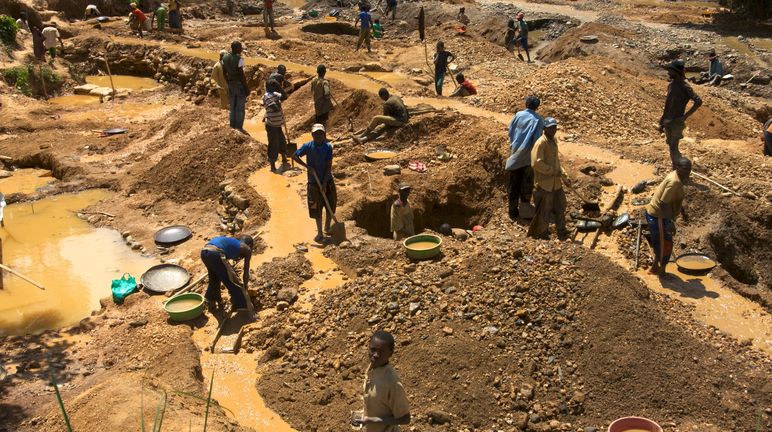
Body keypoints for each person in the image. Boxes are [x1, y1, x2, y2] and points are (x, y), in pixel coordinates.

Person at [644, 157, 691, 277]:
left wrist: (682, 211)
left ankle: (655, 268)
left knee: (662, 242)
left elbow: (674, 198)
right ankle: (661, 272)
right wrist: (669, 222)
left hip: (662, 215)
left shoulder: (677, 176)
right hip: (658, 215)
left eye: (689, 169)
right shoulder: (675, 182)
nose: (688, 171)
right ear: (678, 168)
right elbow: (664, 203)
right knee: (665, 243)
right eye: (685, 169)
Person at [357, 330, 411, 431]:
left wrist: (373, 420)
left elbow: (405, 418)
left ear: (390, 353)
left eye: (381, 351)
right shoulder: (372, 368)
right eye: (373, 349)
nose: (376, 355)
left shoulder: (392, 382)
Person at [293, 124, 336, 244]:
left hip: (327, 180)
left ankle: (327, 227)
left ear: (324, 135)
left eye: (321, 134)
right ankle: (320, 233)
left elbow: (329, 166)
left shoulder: (328, 147)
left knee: (330, 205)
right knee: (316, 208)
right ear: (312, 135)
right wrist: (307, 167)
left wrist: (323, 183)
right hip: (313, 182)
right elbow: (295, 156)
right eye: (316, 134)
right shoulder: (307, 146)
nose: (318, 136)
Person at [527, 117, 569, 239]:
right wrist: (551, 171)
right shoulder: (541, 143)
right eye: (550, 128)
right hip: (545, 184)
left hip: (556, 183)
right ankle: (542, 233)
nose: (553, 130)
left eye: (554, 127)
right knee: (545, 210)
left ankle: (561, 230)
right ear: (545, 129)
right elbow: (536, 163)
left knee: (561, 206)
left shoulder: (553, 141)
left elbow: (556, 161)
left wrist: (564, 176)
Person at [505, 95, 543, 220]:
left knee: (514, 184)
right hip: (528, 157)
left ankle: (512, 211)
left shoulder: (519, 115)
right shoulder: (538, 120)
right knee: (526, 184)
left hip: (515, 153)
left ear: (526, 104)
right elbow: (537, 140)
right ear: (537, 107)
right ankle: (525, 209)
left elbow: (510, 132)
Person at [659, 59, 702, 167]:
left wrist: (685, 116)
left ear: (676, 72)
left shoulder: (685, 86)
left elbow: (698, 101)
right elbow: (668, 104)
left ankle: (681, 169)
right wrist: (662, 120)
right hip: (668, 121)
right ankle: (676, 167)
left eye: (670, 71)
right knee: (671, 146)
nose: (668, 73)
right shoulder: (671, 85)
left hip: (677, 122)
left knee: (674, 146)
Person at [201, 235, 253, 312]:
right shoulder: (247, 249)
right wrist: (244, 287)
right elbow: (246, 272)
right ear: (250, 245)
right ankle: (243, 307)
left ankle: (211, 300)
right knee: (233, 281)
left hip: (204, 252)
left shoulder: (234, 243)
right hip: (215, 253)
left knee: (214, 278)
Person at [222, 40, 249, 131]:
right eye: (240, 47)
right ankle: (239, 127)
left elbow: (224, 72)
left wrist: (228, 82)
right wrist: (246, 87)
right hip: (239, 85)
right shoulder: (240, 59)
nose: (241, 49)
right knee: (240, 107)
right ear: (236, 48)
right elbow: (241, 74)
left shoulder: (225, 57)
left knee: (232, 106)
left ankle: (232, 126)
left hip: (231, 84)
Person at [263, 80, 288, 171]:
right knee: (274, 144)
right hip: (271, 125)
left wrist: (279, 87)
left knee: (282, 140)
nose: (274, 87)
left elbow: (285, 96)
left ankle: (284, 157)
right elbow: (276, 108)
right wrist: (278, 101)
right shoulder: (266, 96)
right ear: (268, 87)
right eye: (273, 86)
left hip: (278, 124)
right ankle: (272, 165)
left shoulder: (275, 93)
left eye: (275, 86)